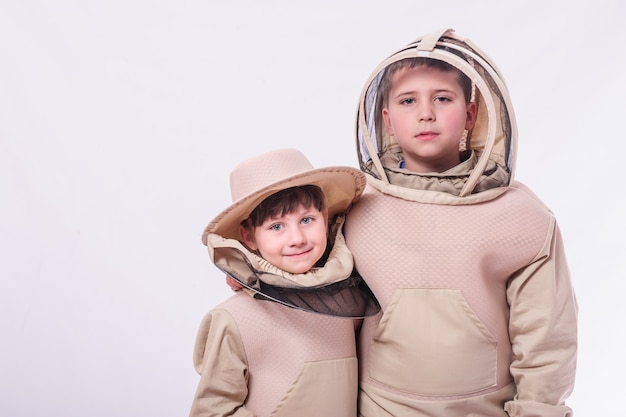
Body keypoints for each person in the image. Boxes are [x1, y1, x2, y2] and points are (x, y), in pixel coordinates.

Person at [343, 28, 578, 416]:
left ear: (471, 114)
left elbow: (547, 337)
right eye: (407, 100)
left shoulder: (522, 218)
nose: (425, 113)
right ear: (386, 120)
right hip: (380, 406)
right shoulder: (353, 205)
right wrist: (257, 279)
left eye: (442, 98)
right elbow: (310, 273)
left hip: (483, 408)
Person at [188, 148, 379, 417]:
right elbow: (213, 411)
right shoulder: (232, 319)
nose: (297, 238)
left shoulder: (350, 304)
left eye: (307, 220)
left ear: (324, 219)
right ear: (249, 237)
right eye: (277, 226)